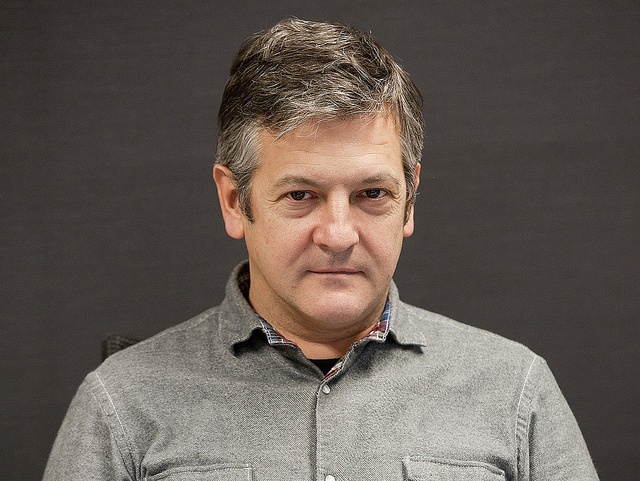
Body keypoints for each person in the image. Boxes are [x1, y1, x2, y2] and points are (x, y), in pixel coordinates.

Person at [43, 18, 599, 481]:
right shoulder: (122, 405)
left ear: (410, 201)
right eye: (300, 195)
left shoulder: (514, 391)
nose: (338, 234)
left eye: (372, 194)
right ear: (234, 201)